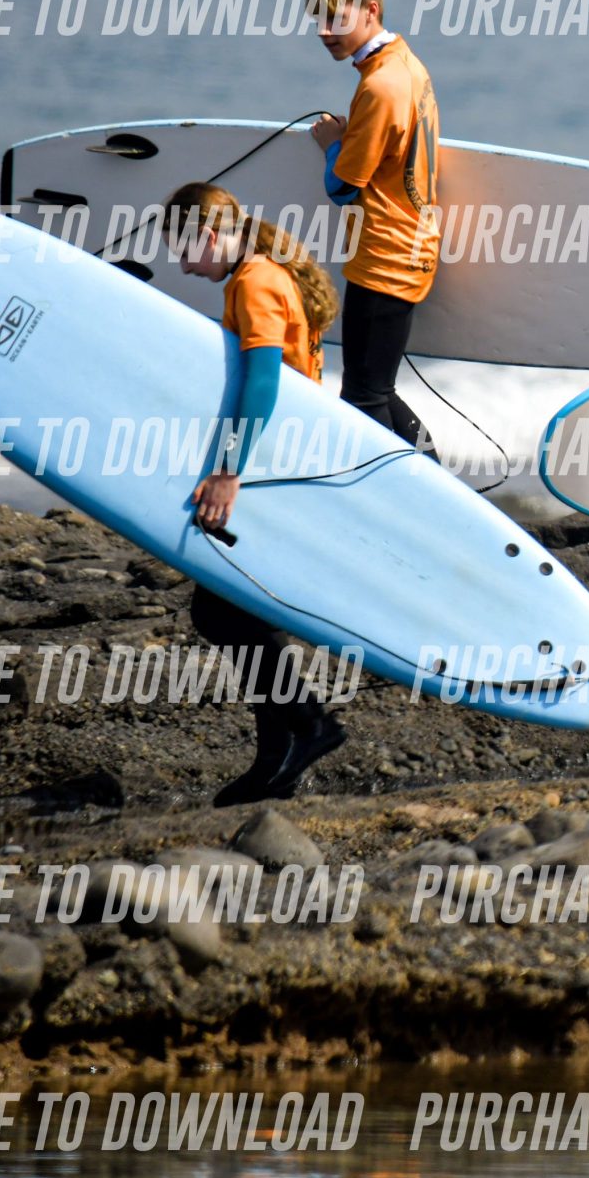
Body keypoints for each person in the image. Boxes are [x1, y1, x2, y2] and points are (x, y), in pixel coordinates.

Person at [171, 181, 348, 805]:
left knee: (220, 611)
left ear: (208, 234)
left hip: (273, 464)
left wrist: (227, 470)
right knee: (235, 607)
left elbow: (263, 384)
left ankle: (310, 726)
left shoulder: (254, 282)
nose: (184, 266)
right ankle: (278, 757)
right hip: (280, 459)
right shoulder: (261, 273)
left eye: (185, 249)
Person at [305, 0, 440, 456]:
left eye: (336, 18)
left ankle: (423, 485)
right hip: (407, 245)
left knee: (364, 397)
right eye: (318, 19)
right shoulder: (405, 63)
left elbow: (343, 187)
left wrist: (331, 145)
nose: (325, 32)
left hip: (386, 255)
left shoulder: (381, 86)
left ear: (371, 11)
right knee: (374, 391)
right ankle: (437, 482)